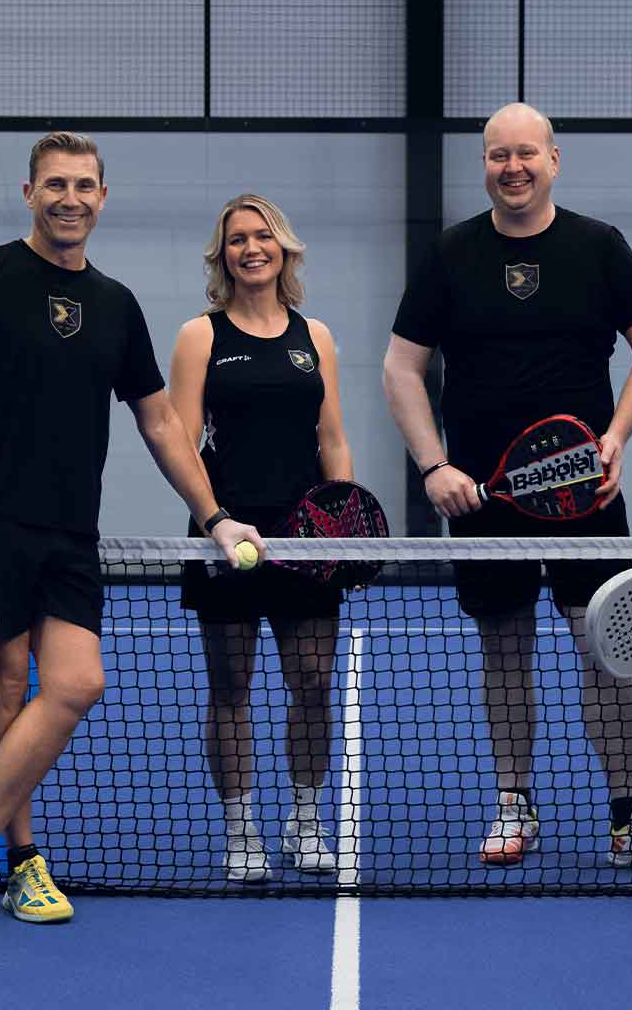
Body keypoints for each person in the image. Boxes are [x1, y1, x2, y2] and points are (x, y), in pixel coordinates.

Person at [0, 132, 263, 936]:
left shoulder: (115, 304)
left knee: (74, 685)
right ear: (28, 193)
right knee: (5, 688)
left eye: (85, 186)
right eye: (56, 184)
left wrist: (215, 515)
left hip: (71, 531)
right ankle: (24, 865)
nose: (71, 198)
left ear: (104, 198)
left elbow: (161, 420)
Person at [382, 103, 632, 879]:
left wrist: (616, 435)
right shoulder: (451, 254)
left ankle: (631, 814)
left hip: (584, 492)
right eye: (496, 156)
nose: (510, 168)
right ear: (484, 165)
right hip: (482, 500)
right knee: (504, 647)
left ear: (555, 159)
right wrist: (433, 467)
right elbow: (400, 366)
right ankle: (513, 801)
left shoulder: (599, 247)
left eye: (525, 154)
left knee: (609, 649)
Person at [169, 194, 353, 884]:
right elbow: (181, 440)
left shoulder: (317, 338)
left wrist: (345, 527)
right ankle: (240, 828)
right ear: (224, 256)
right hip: (226, 540)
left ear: (284, 247)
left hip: (306, 541)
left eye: (263, 235)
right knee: (231, 686)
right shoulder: (200, 336)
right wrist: (214, 517)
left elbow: (332, 438)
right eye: (238, 239)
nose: (251, 248)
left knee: (312, 682)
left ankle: (305, 821)